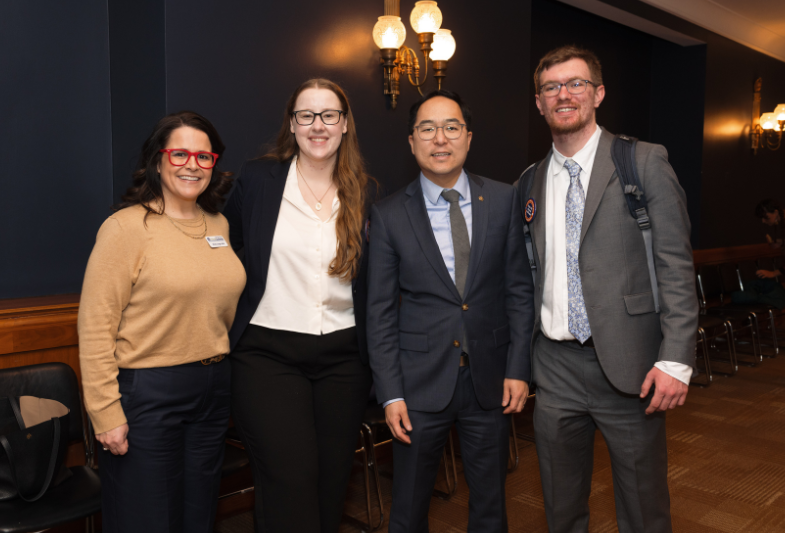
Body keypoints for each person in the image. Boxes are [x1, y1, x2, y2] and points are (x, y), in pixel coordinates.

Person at [519, 45, 697, 533]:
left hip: (631, 365)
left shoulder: (642, 161)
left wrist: (675, 357)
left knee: (643, 508)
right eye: (551, 87)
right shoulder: (530, 183)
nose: (564, 95)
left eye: (576, 83)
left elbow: (676, 265)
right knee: (561, 506)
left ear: (598, 93)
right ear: (539, 103)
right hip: (554, 369)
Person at [367, 89, 535, 533]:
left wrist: (519, 368)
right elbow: (380, 311)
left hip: (491, 381)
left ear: (468, 137)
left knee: (491, 504)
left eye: (451, 127)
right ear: (411, 141)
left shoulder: (503, 200)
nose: (439, 139)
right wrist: (391, 393)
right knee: (408, 506)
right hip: (418, 387)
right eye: (427, 128)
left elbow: (519, 290)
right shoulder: (388, 216)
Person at [78, 111, 246, 533]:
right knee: (147, 518)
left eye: (204, 156)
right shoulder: (126, 228)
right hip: (149, 394)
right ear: (157, 160)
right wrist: (105, 413)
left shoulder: (219, 225)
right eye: (180, 153)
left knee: (198, 514)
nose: (193, 164)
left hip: (211, 390)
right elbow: (96, 326)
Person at [224, 78, 374, 533]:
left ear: (345, 124)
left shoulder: (364, 191)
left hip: (344, 360)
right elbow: (226, 250)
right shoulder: (258, 179)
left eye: (329, 115)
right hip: (268, 355)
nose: (318, 125)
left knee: (331, 482)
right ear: (292, 124)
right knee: (290, 478)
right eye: (306, 115)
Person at [754, 199, 784, 278]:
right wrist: (780, 244)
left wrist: (773, 273)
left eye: (765, 217)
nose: (763, 221)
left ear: (776, 212)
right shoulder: (780, 223)